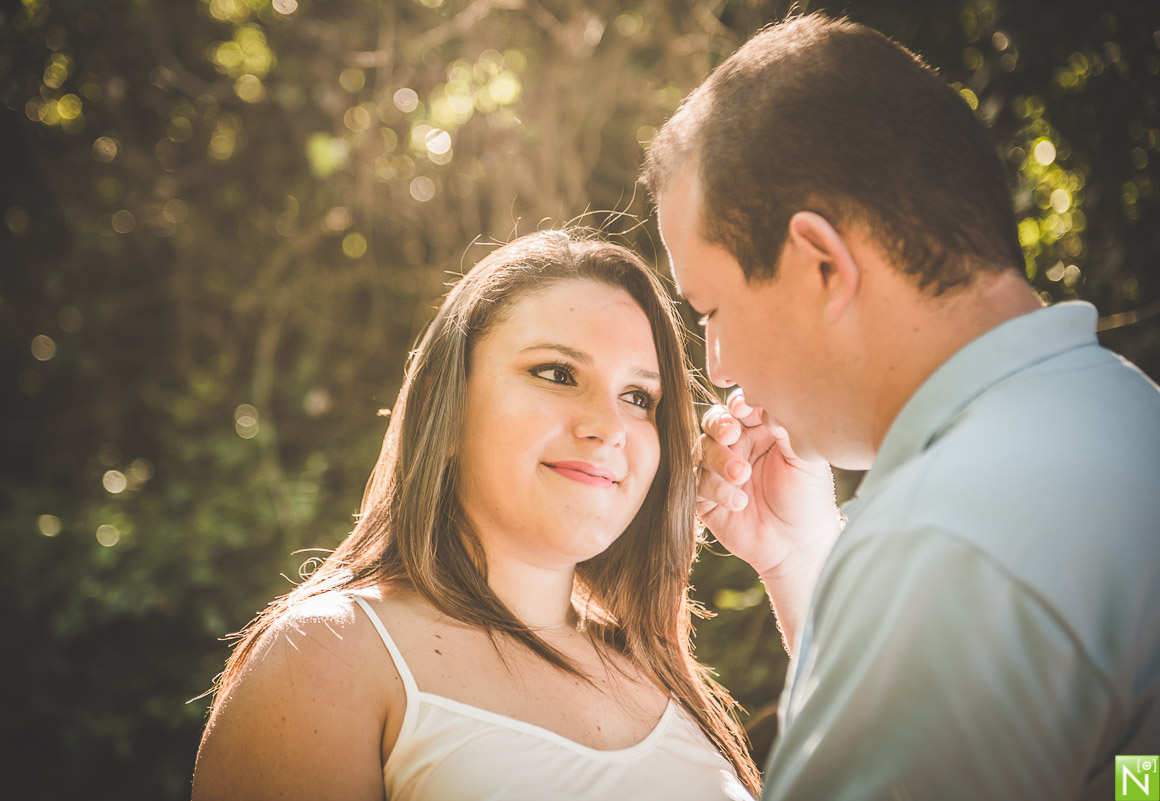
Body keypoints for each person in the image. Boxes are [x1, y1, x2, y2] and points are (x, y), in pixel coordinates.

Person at [643, 12, 1160, 801]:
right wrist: (801, 556)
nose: (719, 367)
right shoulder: (1120, 414)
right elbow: (1126, 775)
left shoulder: (947, 538)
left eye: (710, 309)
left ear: (821, 264)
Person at [191, 230, 761, 800]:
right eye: (558, 373)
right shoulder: (328, 655)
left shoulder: (663, 676)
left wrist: (791, 558)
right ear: (448, 401)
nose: (609, 427)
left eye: (639, 397)